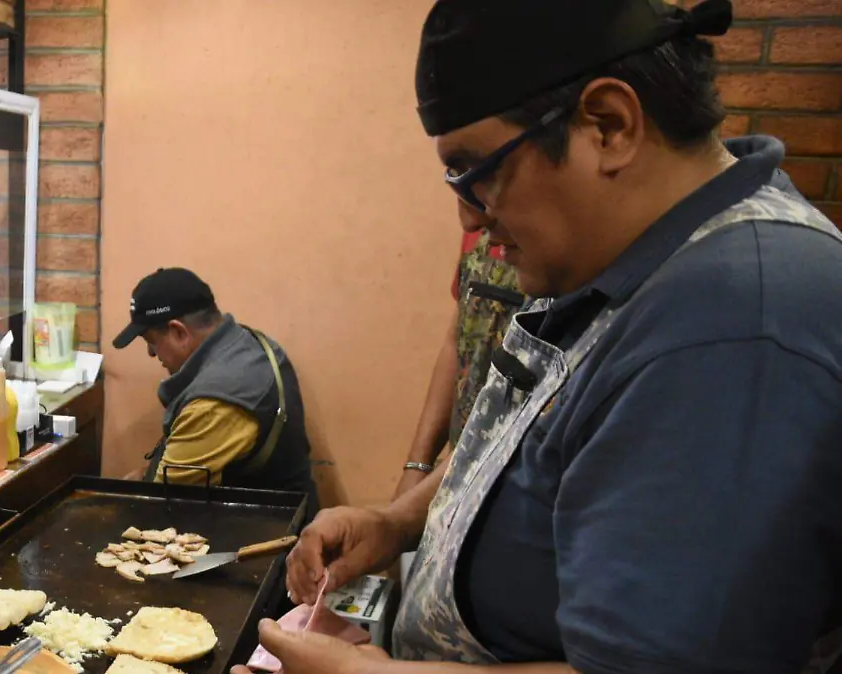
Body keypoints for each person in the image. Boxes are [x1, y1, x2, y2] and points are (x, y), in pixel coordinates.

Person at [236, 0, 842, 672]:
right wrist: (399, 522)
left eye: (475, 170)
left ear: (608, 126)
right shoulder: (633, 262)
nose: (468, 213)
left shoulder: (734, 329)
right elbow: (537, 437)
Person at [113, 268, 319, 514]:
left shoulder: (215, 401)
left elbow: (163, 503)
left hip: (265, 536)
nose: (151, 353)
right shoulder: (245, 343)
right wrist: (145, 476)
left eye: (152, 341)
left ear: (179, 332)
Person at [393, 231, 522, 501]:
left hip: (515, 482)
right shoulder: (477, 225)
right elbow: (457, 342)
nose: (474, 219)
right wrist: (417, 467)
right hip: (458, 479)